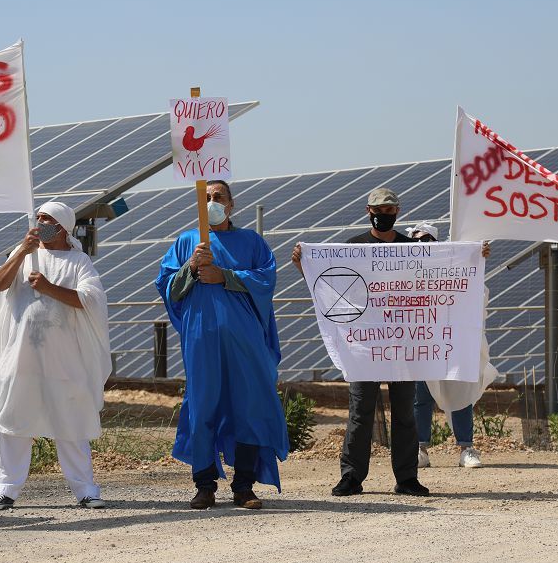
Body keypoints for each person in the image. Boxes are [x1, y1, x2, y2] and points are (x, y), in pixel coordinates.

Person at [156, 180, 289, 510]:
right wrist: (190, 267)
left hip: (245, 339)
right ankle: (204, 485)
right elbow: (168, 288)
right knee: (203, 405)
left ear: (231, 204)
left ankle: (244, 486)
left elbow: (266, 280)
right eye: (206, 198)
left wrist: (225, 276)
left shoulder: (251, 241)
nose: (212, 202)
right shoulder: (187, 241)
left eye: (218, 197)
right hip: (201, 338)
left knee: (249, 405)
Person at [292, 187, 428, 497]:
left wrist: (477, 257)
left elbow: (439, 276)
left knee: (405, 411)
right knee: (360, 409)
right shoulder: (353, 248)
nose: (384, 215)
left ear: (398, 211)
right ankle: (351, 476)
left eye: (390, 210)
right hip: (364, 344)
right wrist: (305, 266)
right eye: (379, 210)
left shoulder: (413, 249)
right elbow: (331, 284)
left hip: (402, 342)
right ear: (368, 211)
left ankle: (407, 478)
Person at [0, 201, 112, 511]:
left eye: (47, 218)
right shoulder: (24, 254)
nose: (41, 222)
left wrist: (49, 287)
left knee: (71, 423)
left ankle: (86, 491)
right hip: (20, 356)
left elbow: (90, 301)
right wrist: (22, 254)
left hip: (64, 360)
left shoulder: (79, 261)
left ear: (64, 225)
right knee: (13, 422)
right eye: (38, 217)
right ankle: (4, 490)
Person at [407, 222, 498, 470]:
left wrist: (476, 258)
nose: (422, 245)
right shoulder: (404, 270)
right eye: (417, 241)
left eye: (427, 240)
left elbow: (473, 290)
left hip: (452, 344)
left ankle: (466, 447)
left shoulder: (452, 268)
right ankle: (420, 449)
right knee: (421, 397)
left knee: (460, 394)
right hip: (421, 343)